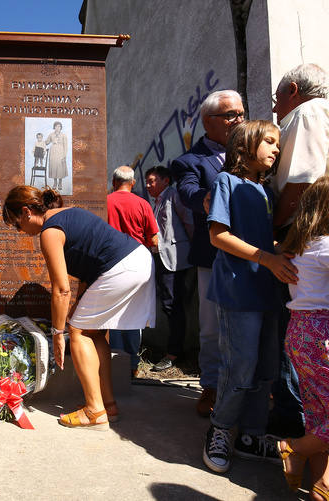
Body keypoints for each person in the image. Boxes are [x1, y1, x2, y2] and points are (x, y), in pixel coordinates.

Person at [2, 186, 155, 429]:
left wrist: (57, 333)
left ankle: (94, 411)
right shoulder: (67, 213)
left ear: (26, 212)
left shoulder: (49, 232)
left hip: (121, 268)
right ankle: (108, 404)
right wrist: (77, 307)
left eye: (16, 224)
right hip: (138, 260)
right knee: (92, 331)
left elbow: (61, 289)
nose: (20, 231)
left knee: (78, 332)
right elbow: (87, 270)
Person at [202, 120, 298, 474]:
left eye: (278, 143)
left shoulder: (264, 192)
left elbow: (261, 240)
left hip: (267, 291)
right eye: (270, 142)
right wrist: (266, 257)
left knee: (266, 368)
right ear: (245, 146)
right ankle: (221, 428)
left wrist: (282, 251)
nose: (277, 149)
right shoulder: (228, 182)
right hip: (239, 291)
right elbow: (218, 236)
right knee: (238, 366)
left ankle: (252, 435)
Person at [170, 89, 245, 417]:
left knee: (252, 322)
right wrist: (211, 198)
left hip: (257, 253)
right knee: (212, 326)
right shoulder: (189, 161)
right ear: (208, 122)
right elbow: (188, 193)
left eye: (241, 113)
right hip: (213, 255)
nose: (238, 120)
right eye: (230, 115)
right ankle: (211, 386)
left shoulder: (254, 149)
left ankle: (250, 388)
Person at [268, 63, 329, 439]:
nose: (276, 110)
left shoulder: (306, 112)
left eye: (277, 100)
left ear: (293, 90)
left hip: (302, 232)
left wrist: (275, 231)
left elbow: (301, 182)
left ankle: (297, 421)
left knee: (295, 321)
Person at [277, 176, 329, 498]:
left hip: (299, 331)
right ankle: (293, 449)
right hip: (322, 333)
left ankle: (320, 484)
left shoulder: (298, 248)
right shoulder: (325, 248)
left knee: (319, 411)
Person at [106, 165, 159, 376]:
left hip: (111, 263)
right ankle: (132, 365)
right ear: (133, 183)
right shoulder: (143, 204)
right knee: (134, 314)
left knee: (114, 314)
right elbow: (154, 239)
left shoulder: (105, 203)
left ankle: (116, 360)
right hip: (138, 263)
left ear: (113, 182)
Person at [145, 166, 194, 372]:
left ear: (166, 181)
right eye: (147, 181)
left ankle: (174, 352)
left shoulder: (173, 196)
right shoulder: (155, 202)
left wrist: (191, 250)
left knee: (172, 305)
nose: (148, 185)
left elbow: (189, 221)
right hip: (161, 258)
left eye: (152, 181)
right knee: (168, 304)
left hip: (174, 260)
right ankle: (174, 350)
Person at [46, 121, 69, 190]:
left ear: (61, 127)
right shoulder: (51, 135)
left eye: (59, 126)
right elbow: (47, 142)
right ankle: (55, 182)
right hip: (53, 152)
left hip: (61, 152)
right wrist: (40, 141)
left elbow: (66, 146)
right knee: (54, 167)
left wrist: (64, 156)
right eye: (56, 126)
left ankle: (60, 183)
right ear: (54, 127)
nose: (57, 128)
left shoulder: (64, 135)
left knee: (60, 168)